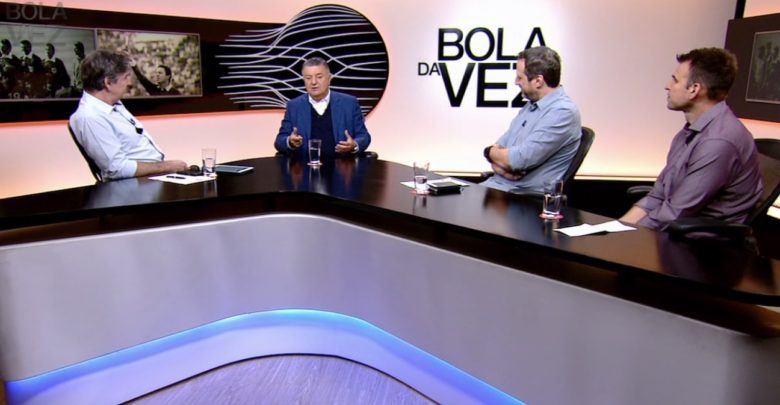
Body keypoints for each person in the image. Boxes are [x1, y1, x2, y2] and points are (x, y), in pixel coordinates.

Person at [620, 48, 763, 230]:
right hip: (673, 231)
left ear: (694, 89)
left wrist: (625, 237)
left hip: (700, 242)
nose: (667, 85)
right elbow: (657, 196)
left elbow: (674, 214)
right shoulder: (689, 133)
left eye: (675, 80)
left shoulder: (718, 142)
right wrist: (615, 229)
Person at [69, 49, 188, 180]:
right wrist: (167, 166)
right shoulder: (90, 117)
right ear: (108, 83)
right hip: (135, 185)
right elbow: (117, 169)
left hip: (154, 177)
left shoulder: (113, 103)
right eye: (126, 77)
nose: (130, 83)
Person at [482, 46, 581, 192]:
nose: (516, 82)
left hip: (519, 196)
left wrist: (492, 154)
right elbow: (500, 146)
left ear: (538, 81)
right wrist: (493, 156)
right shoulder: (531, 106)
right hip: (496, 186)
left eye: (520, 77)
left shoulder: (563, 112)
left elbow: (518, 160)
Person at [274, 56, 371, 161]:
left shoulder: (349, 103)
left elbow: (364, 136)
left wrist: (354, 145)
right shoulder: (294, 106)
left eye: (319, 77)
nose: (313, 82)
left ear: (329, 78)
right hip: (305, 168)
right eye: (308, 78)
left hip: (342, 167)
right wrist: (290, 142)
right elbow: (280, 141)